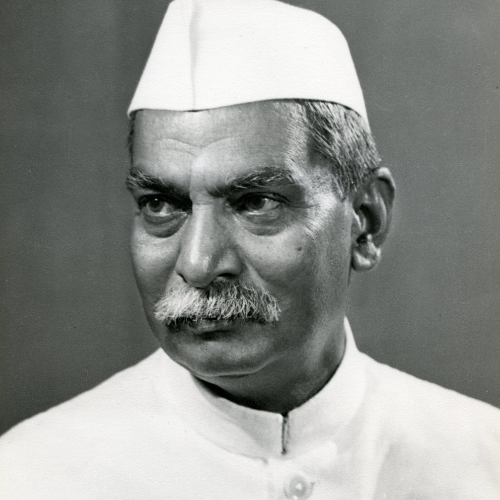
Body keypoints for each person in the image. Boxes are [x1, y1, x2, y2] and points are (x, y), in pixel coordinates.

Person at [1, 0, 498, 498]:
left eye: (256, 203)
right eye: (160, 204)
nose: (197, 264)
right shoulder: (33, 477)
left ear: (365, 221)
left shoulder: (483, 461)